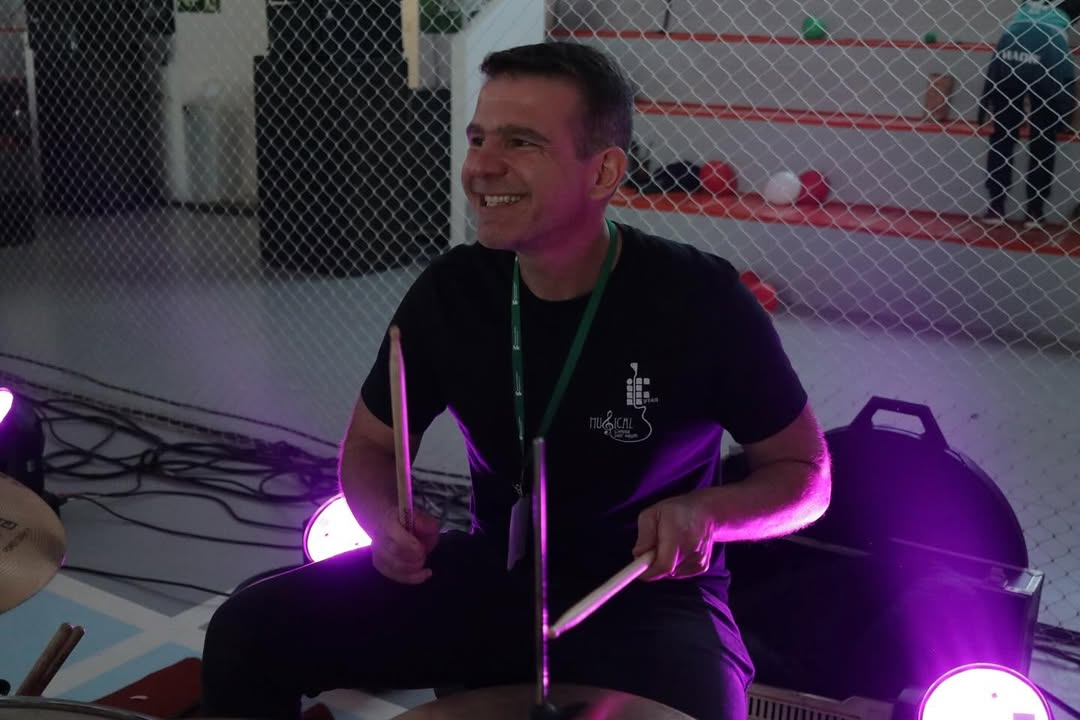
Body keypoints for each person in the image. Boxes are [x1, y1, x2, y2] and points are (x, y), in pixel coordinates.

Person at [201, 41, 831, 720]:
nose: (481, 166)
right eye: (479, 138)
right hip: (497, 576)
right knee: (247, 633)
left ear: (603, 172)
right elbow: (372, 447)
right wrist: (383, 522)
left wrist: (708, 513)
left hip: (647, 595)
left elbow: (807, 476)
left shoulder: (699, 299)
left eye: (521, 142)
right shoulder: (453, 292)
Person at [978, 0, 1080, 228]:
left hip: (1011, 47)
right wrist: (1065, 115)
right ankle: (1035, 209)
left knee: (1003, 134)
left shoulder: (1027, 4)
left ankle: (996, 206)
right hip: (1048, 55)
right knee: (1043, 137)